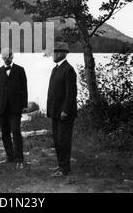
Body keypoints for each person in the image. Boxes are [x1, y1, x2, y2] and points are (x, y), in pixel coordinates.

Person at [0, 48, 28, 169]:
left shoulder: (20, 70)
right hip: (1, 108)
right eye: (4, 57)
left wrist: (24, 105)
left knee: (16, 132)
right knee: (5, 133)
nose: (6, 59)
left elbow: (24, 89)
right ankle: (9, 156)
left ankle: (19, 158)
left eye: (8, 57)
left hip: (15, 108)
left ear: (12, 56)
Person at [46, 42, 77, 177]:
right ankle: (61, 165)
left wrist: (65, 110)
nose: (53, 55)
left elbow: (71, 93)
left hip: (64, 113)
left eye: (55, 52)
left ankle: (64, 168)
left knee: (63, 140)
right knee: (57, 140)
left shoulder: (68, 69)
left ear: (62, 54)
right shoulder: (56, 69)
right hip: (55, 112)